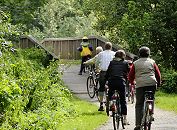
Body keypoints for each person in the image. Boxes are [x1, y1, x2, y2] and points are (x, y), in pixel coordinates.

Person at [128, 46, 161, 130]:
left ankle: (138, 124)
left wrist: (132, 83)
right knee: (151, 98)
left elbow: (130, 76)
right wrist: (159, 83)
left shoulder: (135, 63)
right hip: (152, 83)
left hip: (140, 85)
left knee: (139, 104)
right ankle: (151, 114)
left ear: (139, 54)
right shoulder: (152, 62)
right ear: (148, 54)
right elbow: (158, 74)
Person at [105, 50, 130, 125]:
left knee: (110, 93)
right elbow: (128, 72)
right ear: (123, 56)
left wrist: (106, 81)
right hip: (121, 82)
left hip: (112, 81)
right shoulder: (125, 63)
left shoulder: (112, 62)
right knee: (123, 100)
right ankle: (125, 119)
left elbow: (108, 73)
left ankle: (110, 103)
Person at [96, 42, 115, 111]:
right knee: (112, 88)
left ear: (104, 47)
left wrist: (97, 69)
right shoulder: (114, 54)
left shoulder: (101, 54)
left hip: (103, 72)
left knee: (101, 88)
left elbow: (97, 62)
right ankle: (111, 103)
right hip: (112, 73)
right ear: (111, 47)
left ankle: (101, 104)